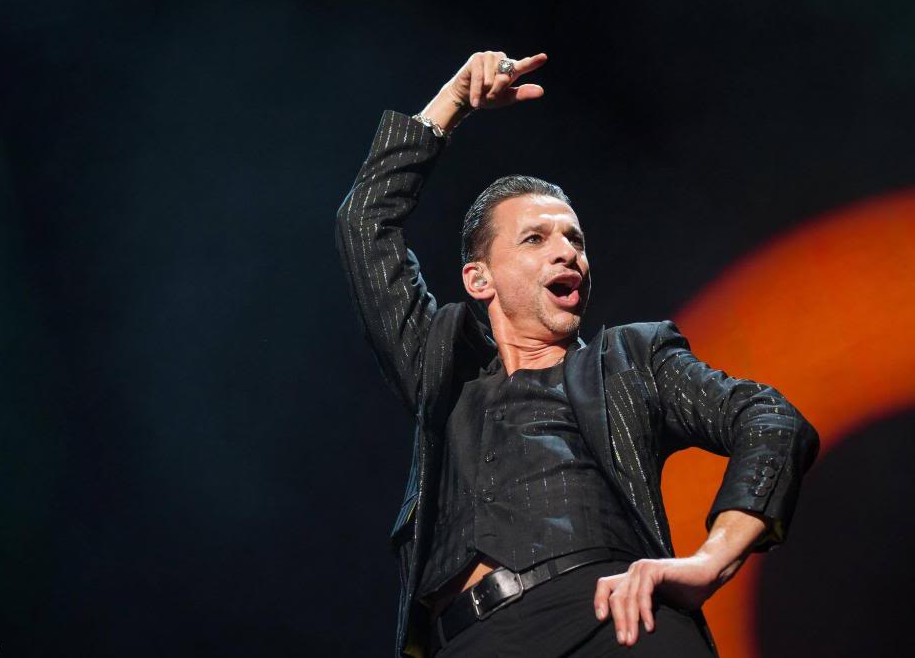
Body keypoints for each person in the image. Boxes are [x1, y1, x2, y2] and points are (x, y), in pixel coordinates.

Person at [334, 50, 819, 658]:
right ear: (479, 279)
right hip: (470, 641)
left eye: (575, 240)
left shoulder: (632, 361)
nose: (567, 252)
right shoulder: (442, 370)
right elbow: (364, 224)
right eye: (535, 239)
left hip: (612, 623)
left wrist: (710, 562)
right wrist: (452, 103)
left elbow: (772, 421)